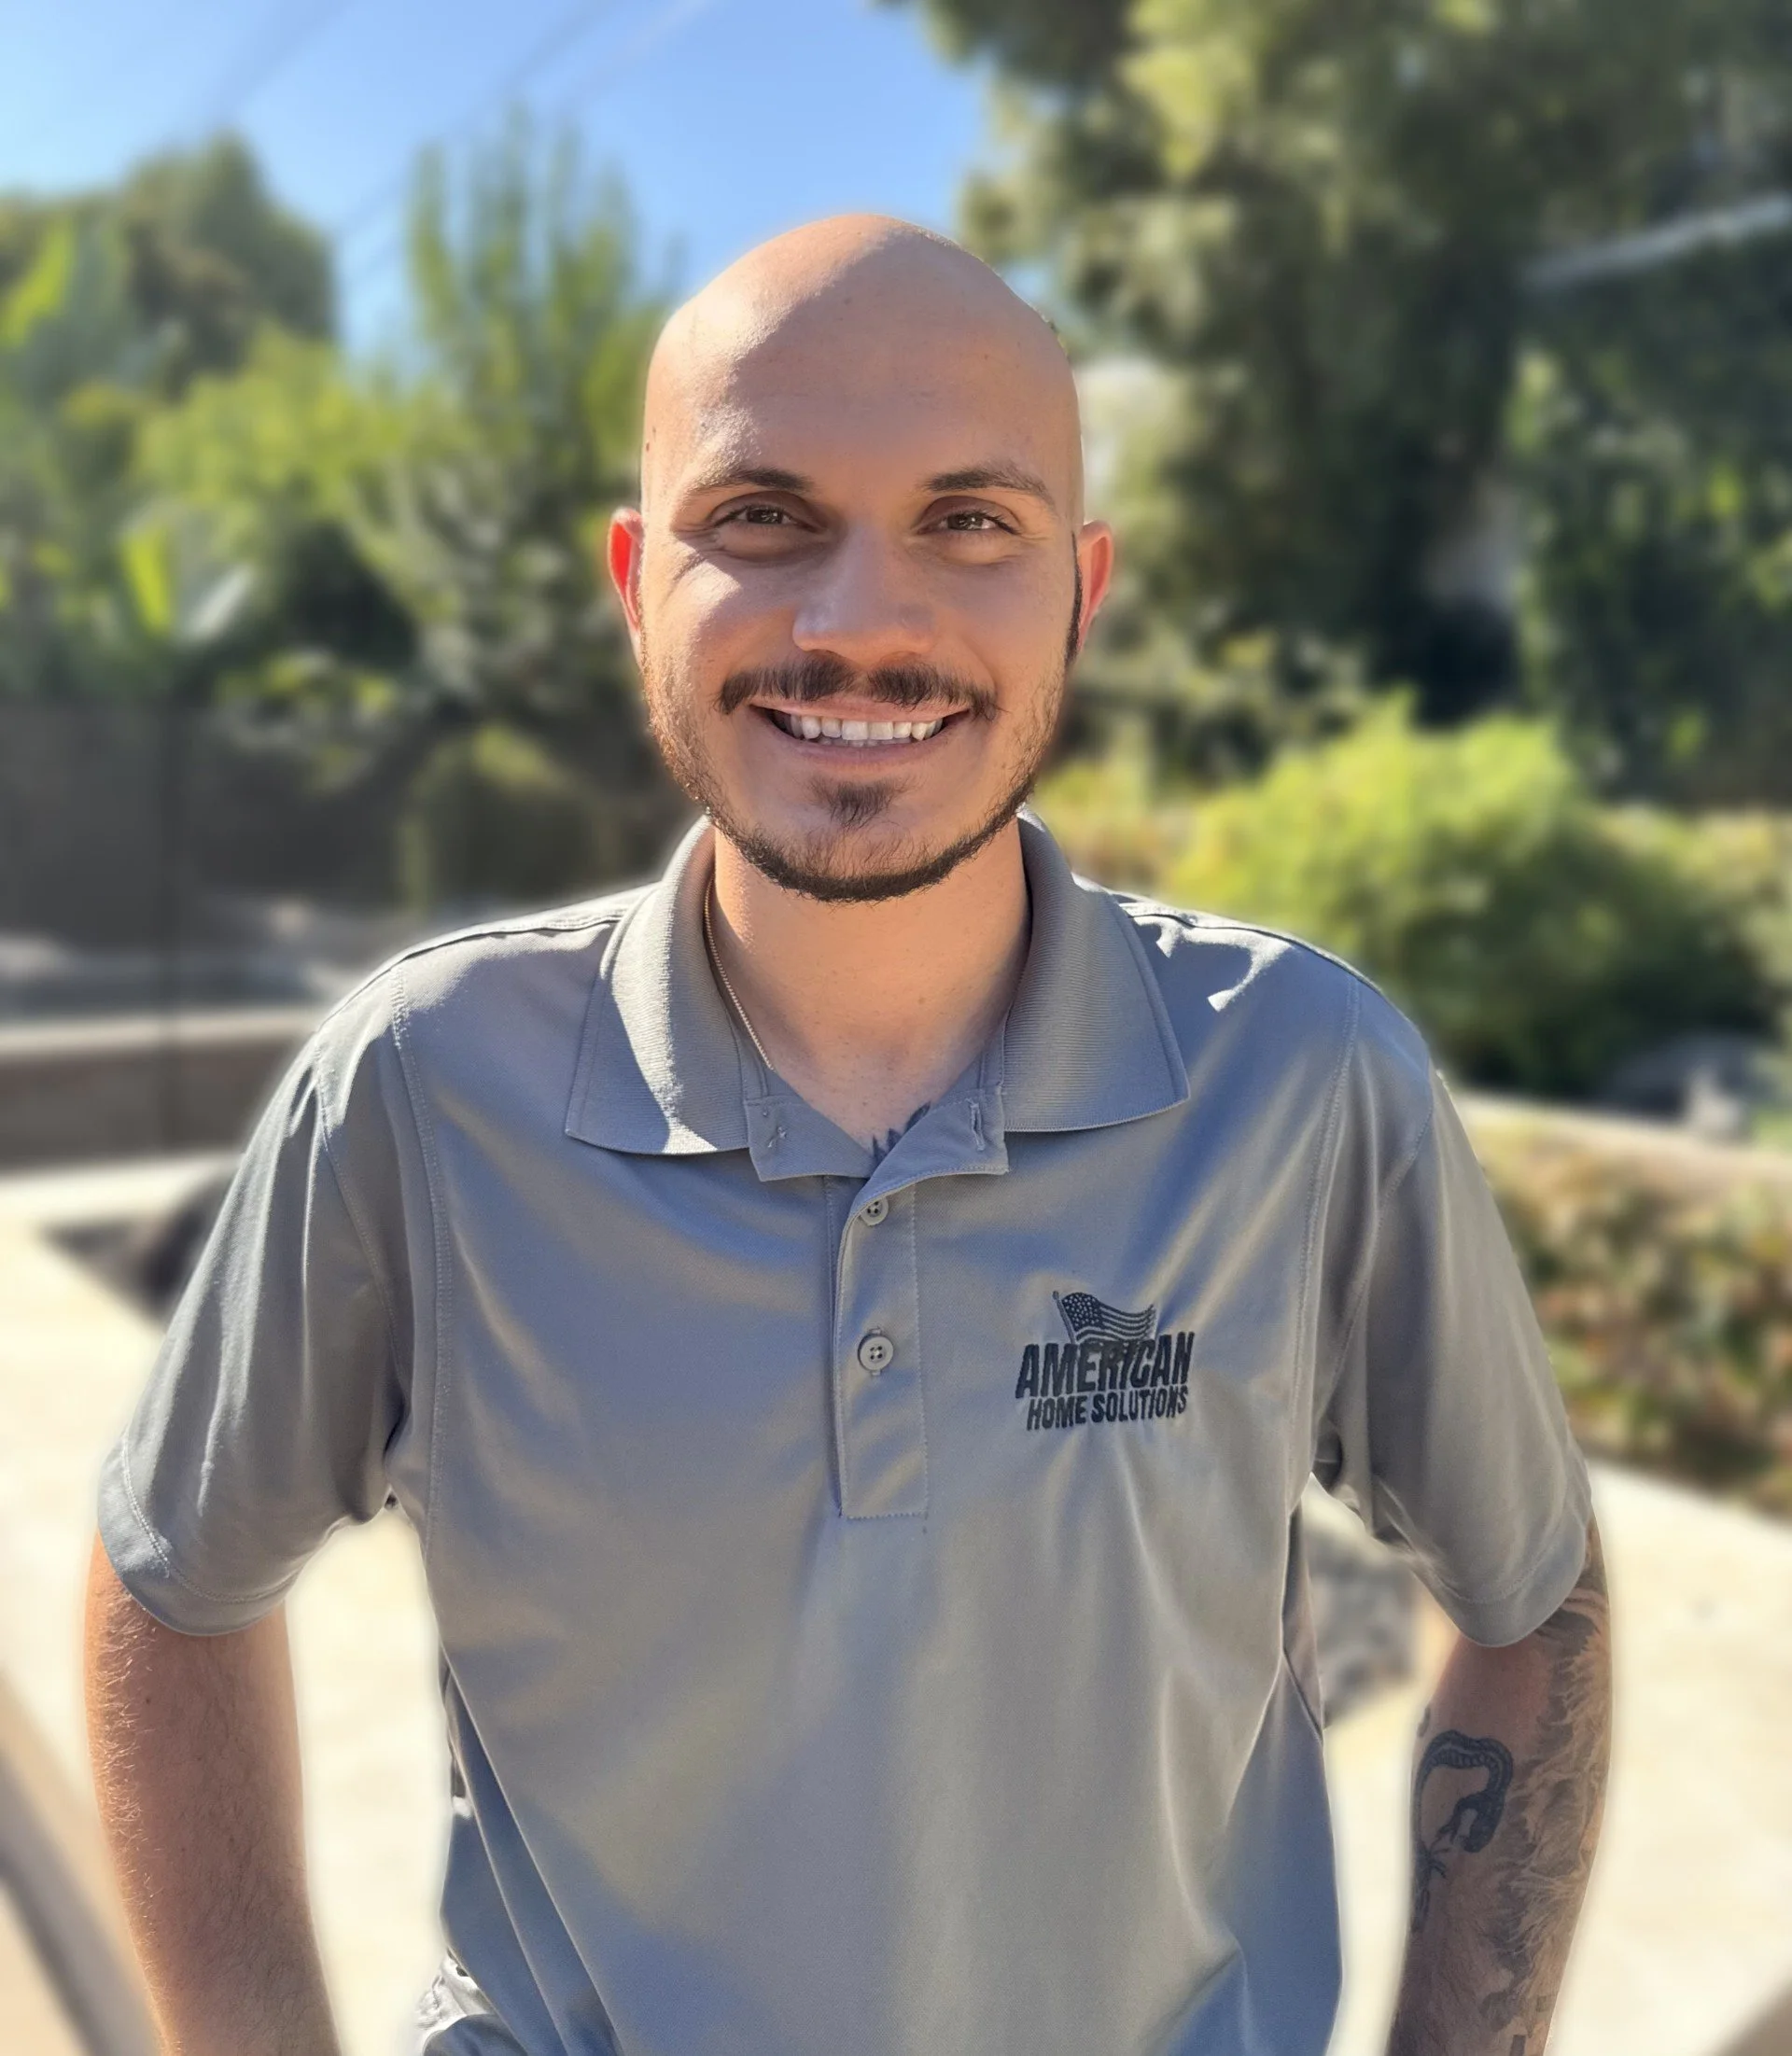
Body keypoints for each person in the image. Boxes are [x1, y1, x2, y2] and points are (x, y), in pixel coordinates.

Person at [84, 216, 1611, 2056]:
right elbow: (169, 1573)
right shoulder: (423, 1087)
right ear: (639, 578)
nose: (861, 620)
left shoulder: (1301, 1081)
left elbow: (1535, 1600)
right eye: (764, 517)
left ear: (1082, 587)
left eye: (972, 521)